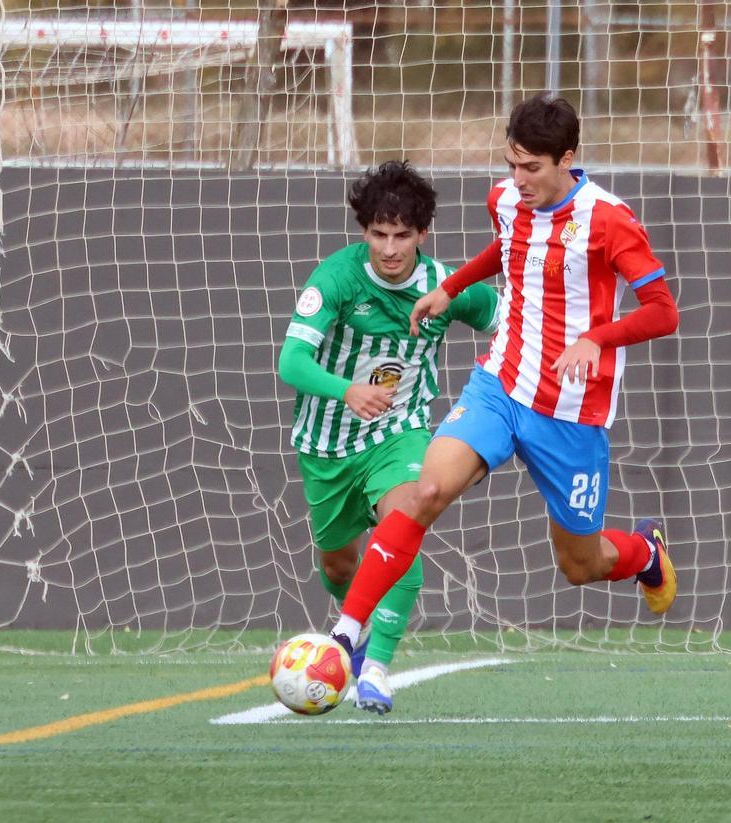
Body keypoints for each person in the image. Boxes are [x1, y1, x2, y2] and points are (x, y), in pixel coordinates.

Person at [327, 97, 681, 659]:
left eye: (532, 168)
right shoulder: (507, 199)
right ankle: (345, 635)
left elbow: (664, 311)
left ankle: (644, 554)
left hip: (569, 409)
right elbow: (510, 248)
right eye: (512, 165)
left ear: (567, 157)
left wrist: (597, 337)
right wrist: (452, 286)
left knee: (580, 565)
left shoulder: (609, 219)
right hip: (501, 383)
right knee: (428, 490)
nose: (518, 180)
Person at [278, 160, 499, 714]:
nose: (390, 247)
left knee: (404, 521)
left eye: (402, 235)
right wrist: (345, 390)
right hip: (326, 443)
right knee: (337, 566)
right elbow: (291, 362)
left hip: (398, 433)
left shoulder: (447, 288)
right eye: (379, 234)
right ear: (364, 232)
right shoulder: (335, 278)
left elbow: (507, 319)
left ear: (423, 234)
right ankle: (359, 645)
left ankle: (375, 666)